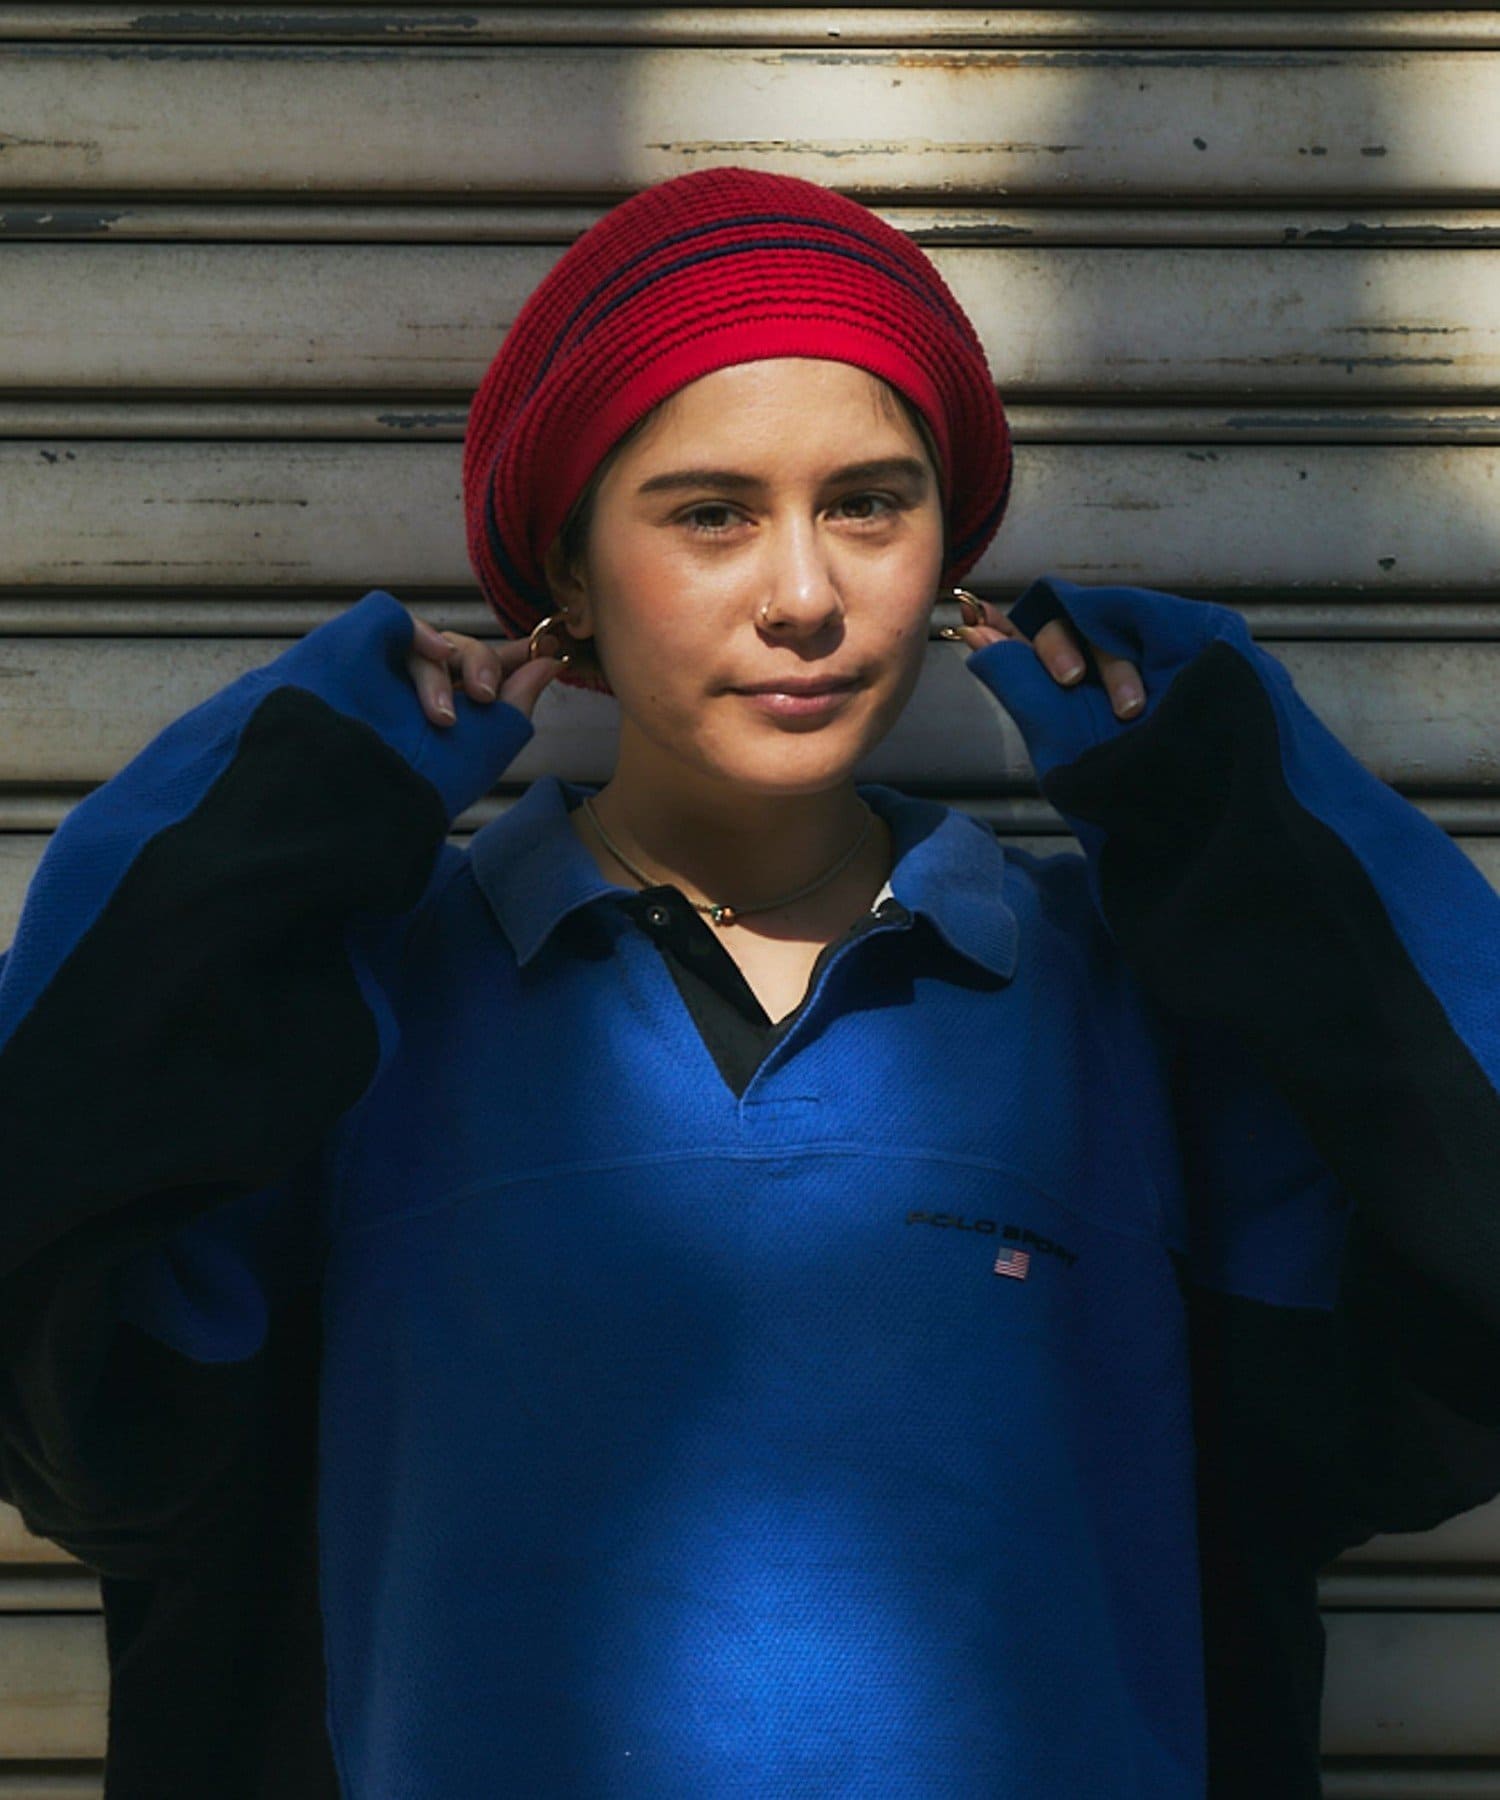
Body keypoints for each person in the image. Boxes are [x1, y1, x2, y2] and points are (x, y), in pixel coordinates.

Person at [0, 164, 1496, 1800]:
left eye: (870, 504)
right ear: (569, 575)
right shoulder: (351, 1012)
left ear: (948, 554)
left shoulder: (1129, 1011)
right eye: (710, 512)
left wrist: (1240, 812)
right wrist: (287, 809)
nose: (804, 597)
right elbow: (73, 1402)